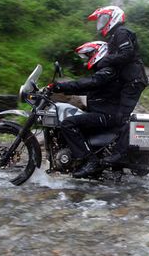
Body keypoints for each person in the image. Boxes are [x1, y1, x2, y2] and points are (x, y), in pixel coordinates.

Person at [50, 41, 123, 179]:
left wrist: (61, 87)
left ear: (99, 53)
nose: (87, 59)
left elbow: (90, 83)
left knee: (68, 124)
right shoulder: (104, 70)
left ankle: (90, 161)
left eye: (89, 55)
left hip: (105, 115)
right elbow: (87, 87)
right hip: (103, 113)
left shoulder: (108, 71)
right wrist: (66, 89)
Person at [86, 6, 148, 163]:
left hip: (133, 80)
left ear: (113, 18)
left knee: (121, 117)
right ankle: (109, 148)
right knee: (116, 115)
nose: (100, 23)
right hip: (128, 81)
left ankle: (119, 154)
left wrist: (106, 60)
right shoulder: (115, 36)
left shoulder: (121, 33)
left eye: (103, 19)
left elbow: (127, 54)